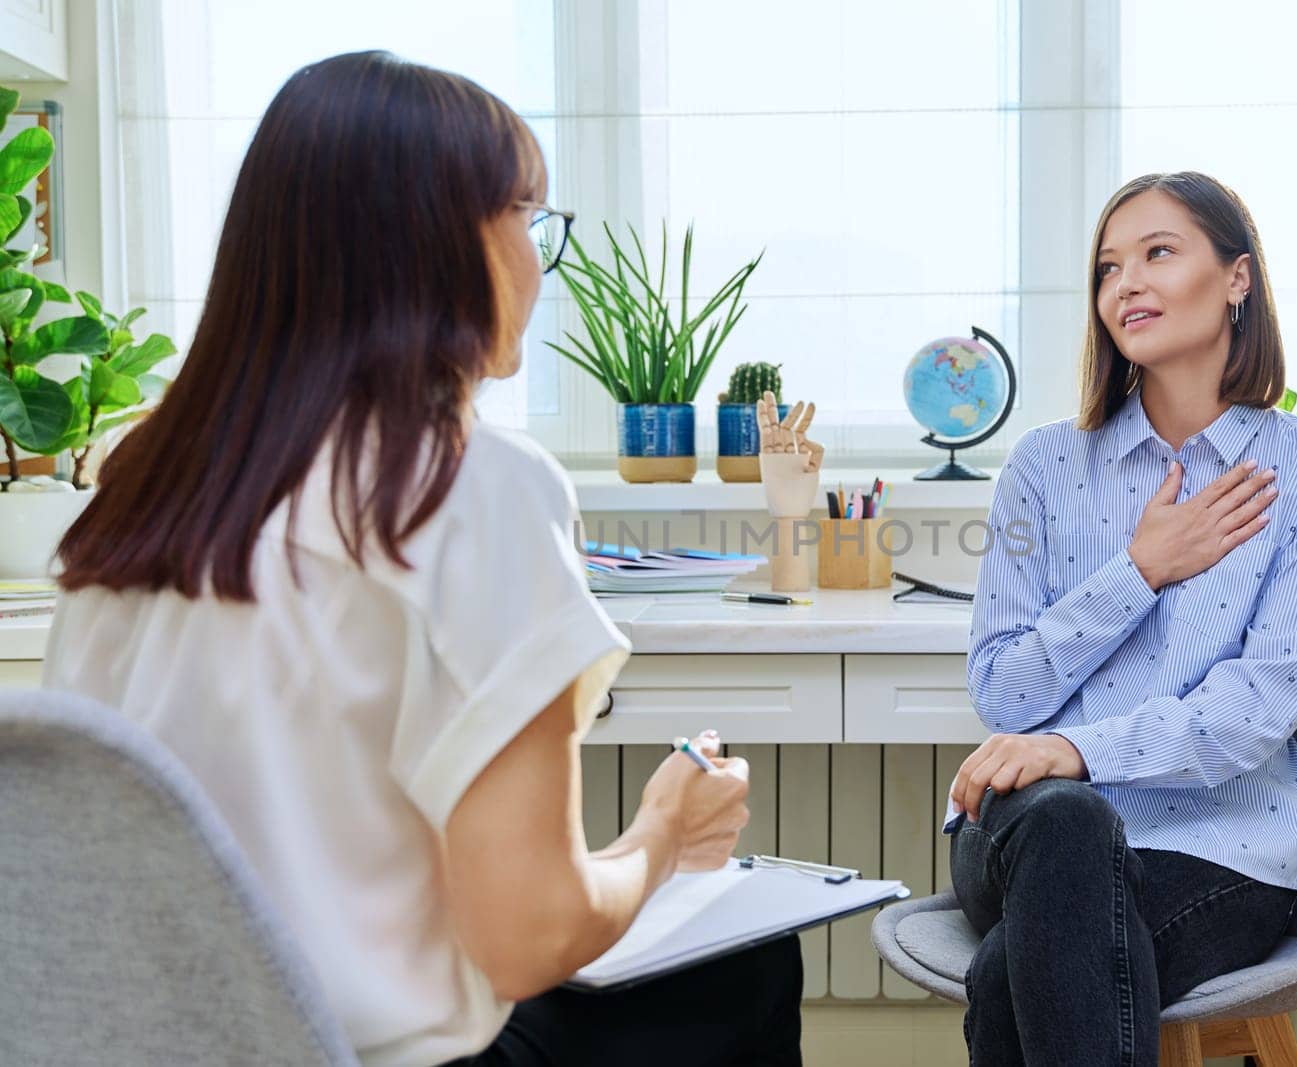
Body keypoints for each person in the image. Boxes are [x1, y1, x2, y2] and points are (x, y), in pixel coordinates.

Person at [43, 51, 800, 1067]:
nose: (537, 261)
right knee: (747, 962)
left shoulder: (141, 501)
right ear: (445, 244)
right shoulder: (466, 482)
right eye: (528, 220)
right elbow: (530, 937)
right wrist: (663, 830)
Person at [946, 171, 1297, 1065]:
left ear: (1237, 279)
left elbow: (1253, 713)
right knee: (1067, 821)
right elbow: (1001, 689)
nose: (1126, 285)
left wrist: (1077, 749)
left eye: (1157, 254)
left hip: (1220, 850)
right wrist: (1139, 569)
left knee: (1005, 975)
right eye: (1108, 268)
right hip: (1031, 837)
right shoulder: (1043, 467)